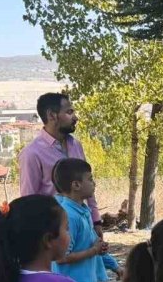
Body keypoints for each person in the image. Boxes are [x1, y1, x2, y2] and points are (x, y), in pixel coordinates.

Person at [18, 93, 102, 237]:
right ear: (52, 115)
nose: (75, 117)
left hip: (83, 226)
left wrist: (96, 221)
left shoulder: (76, 145)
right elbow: (29, 201)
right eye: (69, 112)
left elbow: (87, 182)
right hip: (55, 232)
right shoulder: (32, 153)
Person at [51, 158, 121, 282]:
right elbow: (61, 258)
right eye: (90, 179)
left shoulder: (83, 211)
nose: (94, 183)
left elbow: (93, 245)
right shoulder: (68, 215)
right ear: (76, 185)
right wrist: (93, 251)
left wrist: (114, 266)